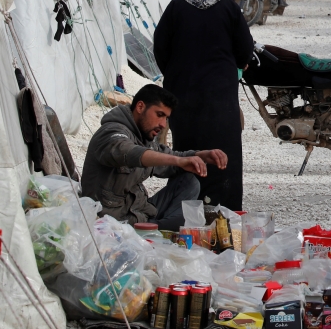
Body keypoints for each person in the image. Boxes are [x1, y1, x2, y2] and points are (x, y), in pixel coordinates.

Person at [153, 0, 254, 210]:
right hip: (220, 96)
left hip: (183, 93)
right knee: (224, 152)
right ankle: (224, 211)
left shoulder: (177, 7)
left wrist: (175, 74)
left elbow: (160, 48)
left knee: (187, 151)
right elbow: (245, 49)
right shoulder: (229, 8)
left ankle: (186, 209)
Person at [81, 85, 227, 231]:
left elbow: (168, 157)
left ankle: (159, 229)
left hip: (141, 213)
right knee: (187, 220)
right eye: (159, 114)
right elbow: (129, 151)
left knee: (189, 182)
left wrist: (201, 155)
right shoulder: (111, 132)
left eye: (166, 118)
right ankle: (158, 231)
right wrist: (178, 161)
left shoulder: (143, 136)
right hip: (115, 224)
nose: (163, 124)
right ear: (140, 107)